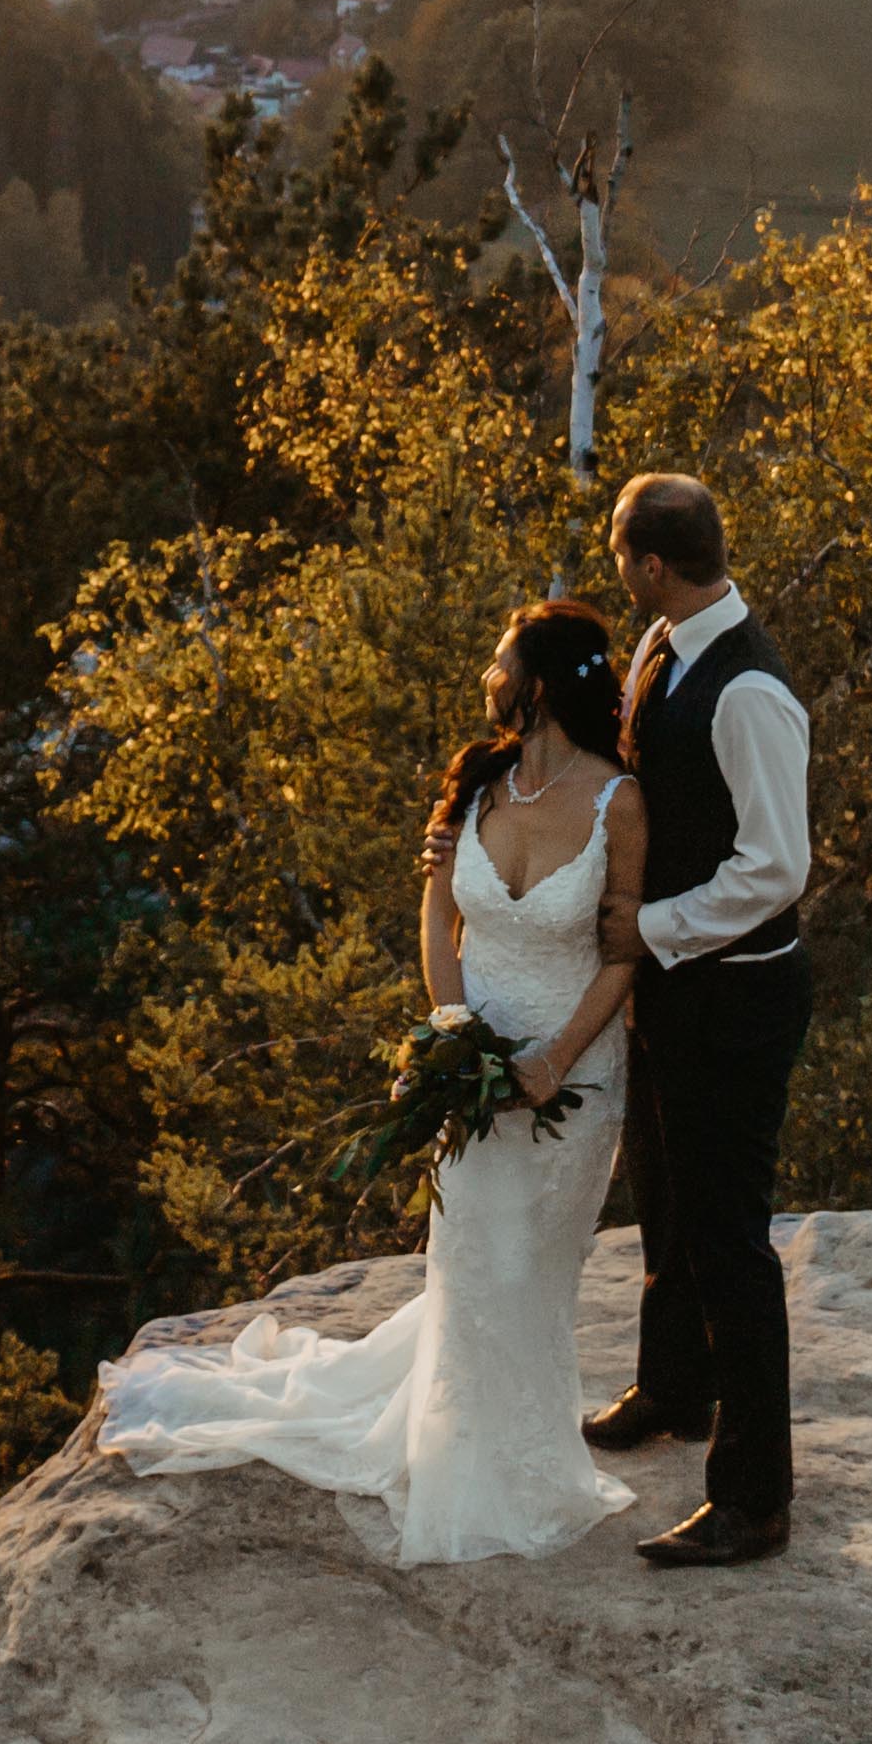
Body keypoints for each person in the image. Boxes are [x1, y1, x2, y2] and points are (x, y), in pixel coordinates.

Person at [98, 599, 651, 1565]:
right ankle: (461, 1456)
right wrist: (460, 1041)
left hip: (577, 1068)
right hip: (476, 1065)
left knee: (534, 1265)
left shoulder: (620, 802)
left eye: (503, 659)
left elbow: (622, 954)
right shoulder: (478, 784)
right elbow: (442, 920)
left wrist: (553, 1058)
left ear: (545, 683)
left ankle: (521, 1460)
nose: (490, 675)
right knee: (475, 1251)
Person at [589, 470, 810, 1568]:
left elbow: (776, 865)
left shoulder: (749, 691)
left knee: (731, 1239)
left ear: (652, 563)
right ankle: (675, 1388)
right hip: (675, 984)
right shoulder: (660, 646)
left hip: (738, 996)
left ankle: (754, 1499)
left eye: (620, 555)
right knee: (663, 1196)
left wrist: (654, 924)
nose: (617, 571)